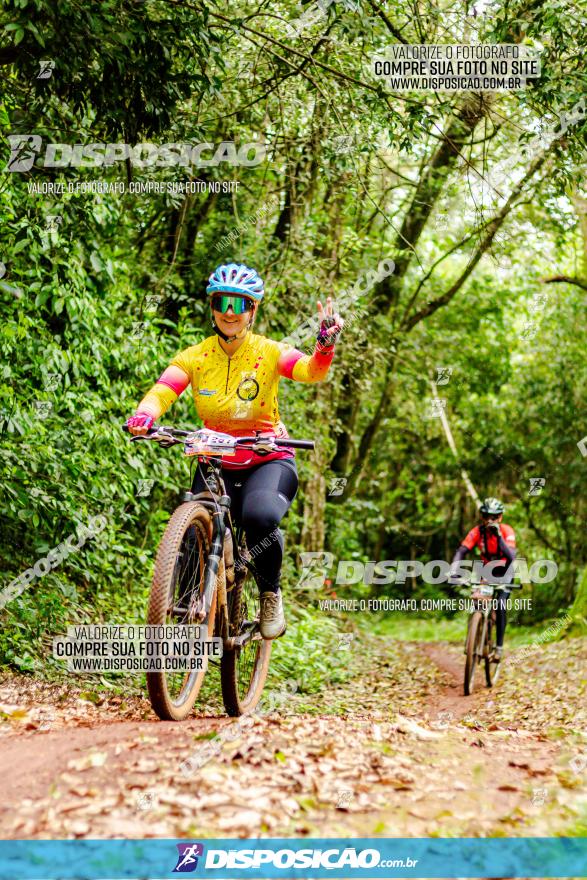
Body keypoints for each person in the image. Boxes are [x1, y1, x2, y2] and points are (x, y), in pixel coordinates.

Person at [126, 262, 344, 639]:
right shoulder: (196, 356)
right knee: (191, 532)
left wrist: (324, 346)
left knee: (259, 517)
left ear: (252, 310)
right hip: (215, 458)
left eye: (239, 303)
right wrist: (145, 415)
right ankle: (184, 620)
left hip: (267, 457)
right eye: (222, 301)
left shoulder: (269, 352)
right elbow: (165, 388)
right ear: (212, 307)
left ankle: (270, 593)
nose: (230, 311)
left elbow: (310, 371)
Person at [449, 497, 516, 660]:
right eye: (486, 516)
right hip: (485, 570)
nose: (490, 520)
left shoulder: (507, 531)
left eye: (494, 517)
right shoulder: (477, 531)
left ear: (500, 517)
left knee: (500, 605)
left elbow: (511, 556)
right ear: (482, 517)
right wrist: (453, 569)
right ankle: (473, 635)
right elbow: (462, 551)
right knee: (477, 600)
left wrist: (498, 536)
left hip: (505, 571)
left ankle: (499, 647)